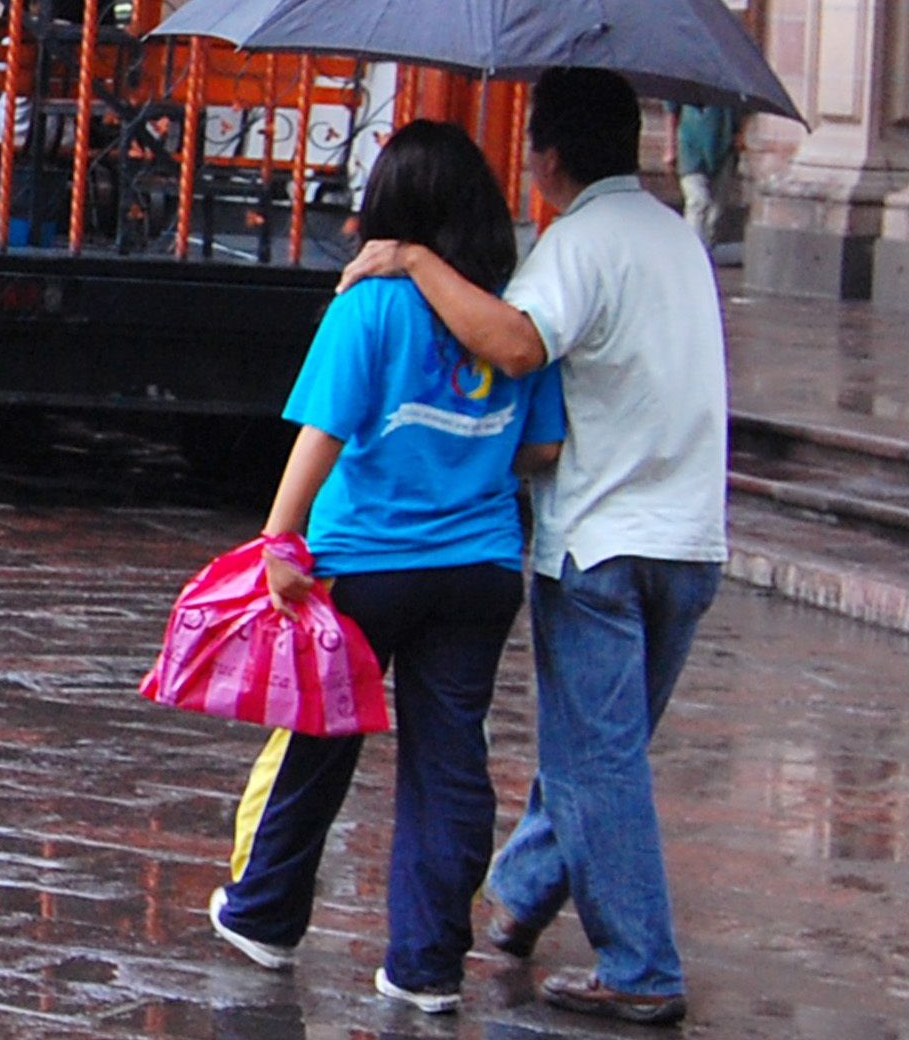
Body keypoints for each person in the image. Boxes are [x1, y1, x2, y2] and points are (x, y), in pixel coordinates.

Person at [345, 68, 726, 1027]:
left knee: (596, 760)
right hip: (690, 536)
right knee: (603, 746)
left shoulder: (579, 242)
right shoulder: (676, 237)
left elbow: (514, 345)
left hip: (603, 537)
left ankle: (640, 966)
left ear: (548, 156)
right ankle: (518, 896)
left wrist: (415, 260)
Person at [207, 122, 567, 1014]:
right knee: (451, 764)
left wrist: (277, 542)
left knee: (318, 743)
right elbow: (545, 449)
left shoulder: (368, 307)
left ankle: (264, 914)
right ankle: (428, 966)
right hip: (481, 567)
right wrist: (468, 450)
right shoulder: (509, 318)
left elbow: (321, 435)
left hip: (364, 566)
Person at [669, 101, 736, 254]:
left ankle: (706, 251)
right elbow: (671, 110)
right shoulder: (687, 87)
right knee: (698, 201)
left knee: (715, 214)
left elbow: (748, 110)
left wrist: (741, 133)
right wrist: (670, 146)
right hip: (690, 149)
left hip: (724, 149)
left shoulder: (735, 89)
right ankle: (691, 253)